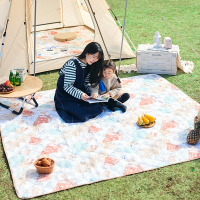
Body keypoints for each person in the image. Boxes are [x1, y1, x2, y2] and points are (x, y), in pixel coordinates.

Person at [54, 42, 104, 123]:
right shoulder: (72, 63)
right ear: (87, 52)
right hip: (65, 94)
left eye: (97, 58)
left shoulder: (89, 64)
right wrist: (81, 95)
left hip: (78, 91)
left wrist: (92, 94)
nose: (95, 60)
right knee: (79, 113)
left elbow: (85, 83)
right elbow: (67, 86)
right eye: (94, 56)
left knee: (96, 106)